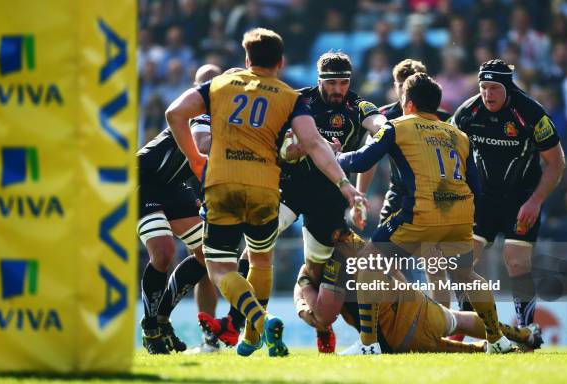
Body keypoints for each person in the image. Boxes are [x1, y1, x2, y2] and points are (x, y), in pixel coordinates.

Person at [165, 28, 365, 357]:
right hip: (266, 189)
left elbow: (175, 113)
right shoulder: (290, 96)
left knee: (219, 268)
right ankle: (252, 335)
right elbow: (313, 144)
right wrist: (347, 187)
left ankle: (259, 318)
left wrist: (195, 159)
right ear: (281, 62)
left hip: (223, 183)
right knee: (261, 260)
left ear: (246, 60)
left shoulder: (220, 84)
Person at [336, 73, 514, 354]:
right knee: (467, 276)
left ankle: (369, 345)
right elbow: (476, 187)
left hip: (420, 214)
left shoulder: (397, 126)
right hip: (459, 216)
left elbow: (361, 161)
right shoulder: (459, 134)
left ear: (407, 103)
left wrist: (332, 155)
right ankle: (497, 340)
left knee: (367, 264)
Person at [276, 51, 386, 353]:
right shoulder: (299, 101)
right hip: (290, 190)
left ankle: (320, 318)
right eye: (333, 83)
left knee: (316, 280)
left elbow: (378, 125)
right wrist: (299, 149)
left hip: (329, 201)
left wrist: (381, 129)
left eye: (344, 82)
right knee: (257, 242)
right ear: (319, 80)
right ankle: (245, 320)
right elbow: (282, 151)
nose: (339, 89)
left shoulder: (358, 105)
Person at [451, 59, 565, 328]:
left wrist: (535, 201)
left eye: (494, 88)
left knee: (515, 261)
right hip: (483, 200)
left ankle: (527, 330)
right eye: (483, 87)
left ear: (508, 87)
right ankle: (468, 328)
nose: (487, 94)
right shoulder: (467, 113)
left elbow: (556, 162)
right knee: (462, 264)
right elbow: (449, 153)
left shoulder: (531, 113)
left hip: (521, 199)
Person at [293, 233, 543, 354]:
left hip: (399, 338)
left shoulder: (316, 274)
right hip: (419, 307)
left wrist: (303, 288)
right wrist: (406, 290)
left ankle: (368, 346)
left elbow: (323, 316)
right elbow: (390, 267)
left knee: (470, 350)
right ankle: (522, 334)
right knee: (460, 319)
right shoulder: (351, 241)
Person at [138, 64, 231, 354]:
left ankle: (161, 318)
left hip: (175, 185)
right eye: (206, 84)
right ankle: (151, 327)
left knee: (208, 254)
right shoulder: (199, 112)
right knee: (164, 252)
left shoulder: (222, 115)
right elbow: (203, 146)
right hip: (144, 180)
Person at [357, 59, 452, 307]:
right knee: (381, 262)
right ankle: (416, 308)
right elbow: (369, 160)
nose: (405, 89)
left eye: (411, 82)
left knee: (434, 265)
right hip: (399, 195)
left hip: (434, 197)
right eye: (402, 84)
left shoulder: (442, 119)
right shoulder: (384, 117)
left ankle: (443, 324)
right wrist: (359, 196)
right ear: (395, 86)